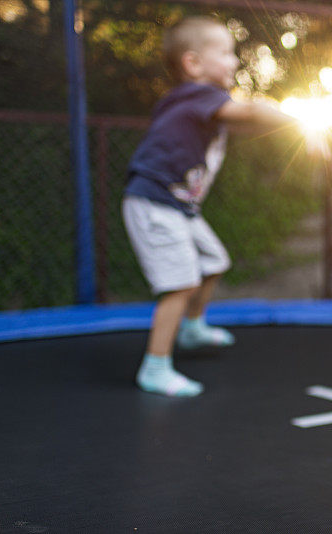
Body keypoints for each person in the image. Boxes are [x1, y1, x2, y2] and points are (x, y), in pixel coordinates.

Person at [123, 16, 304, 397]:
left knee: (213, 261)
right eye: (225, 53)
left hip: (177, 205)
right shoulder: (200, 95)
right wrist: (298, 123)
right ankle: (155, 367)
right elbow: (253, 113)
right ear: (193, 64)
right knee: (180, 284)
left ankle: (191, 328)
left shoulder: (187, 102)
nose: (235, 61)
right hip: (156, 202)